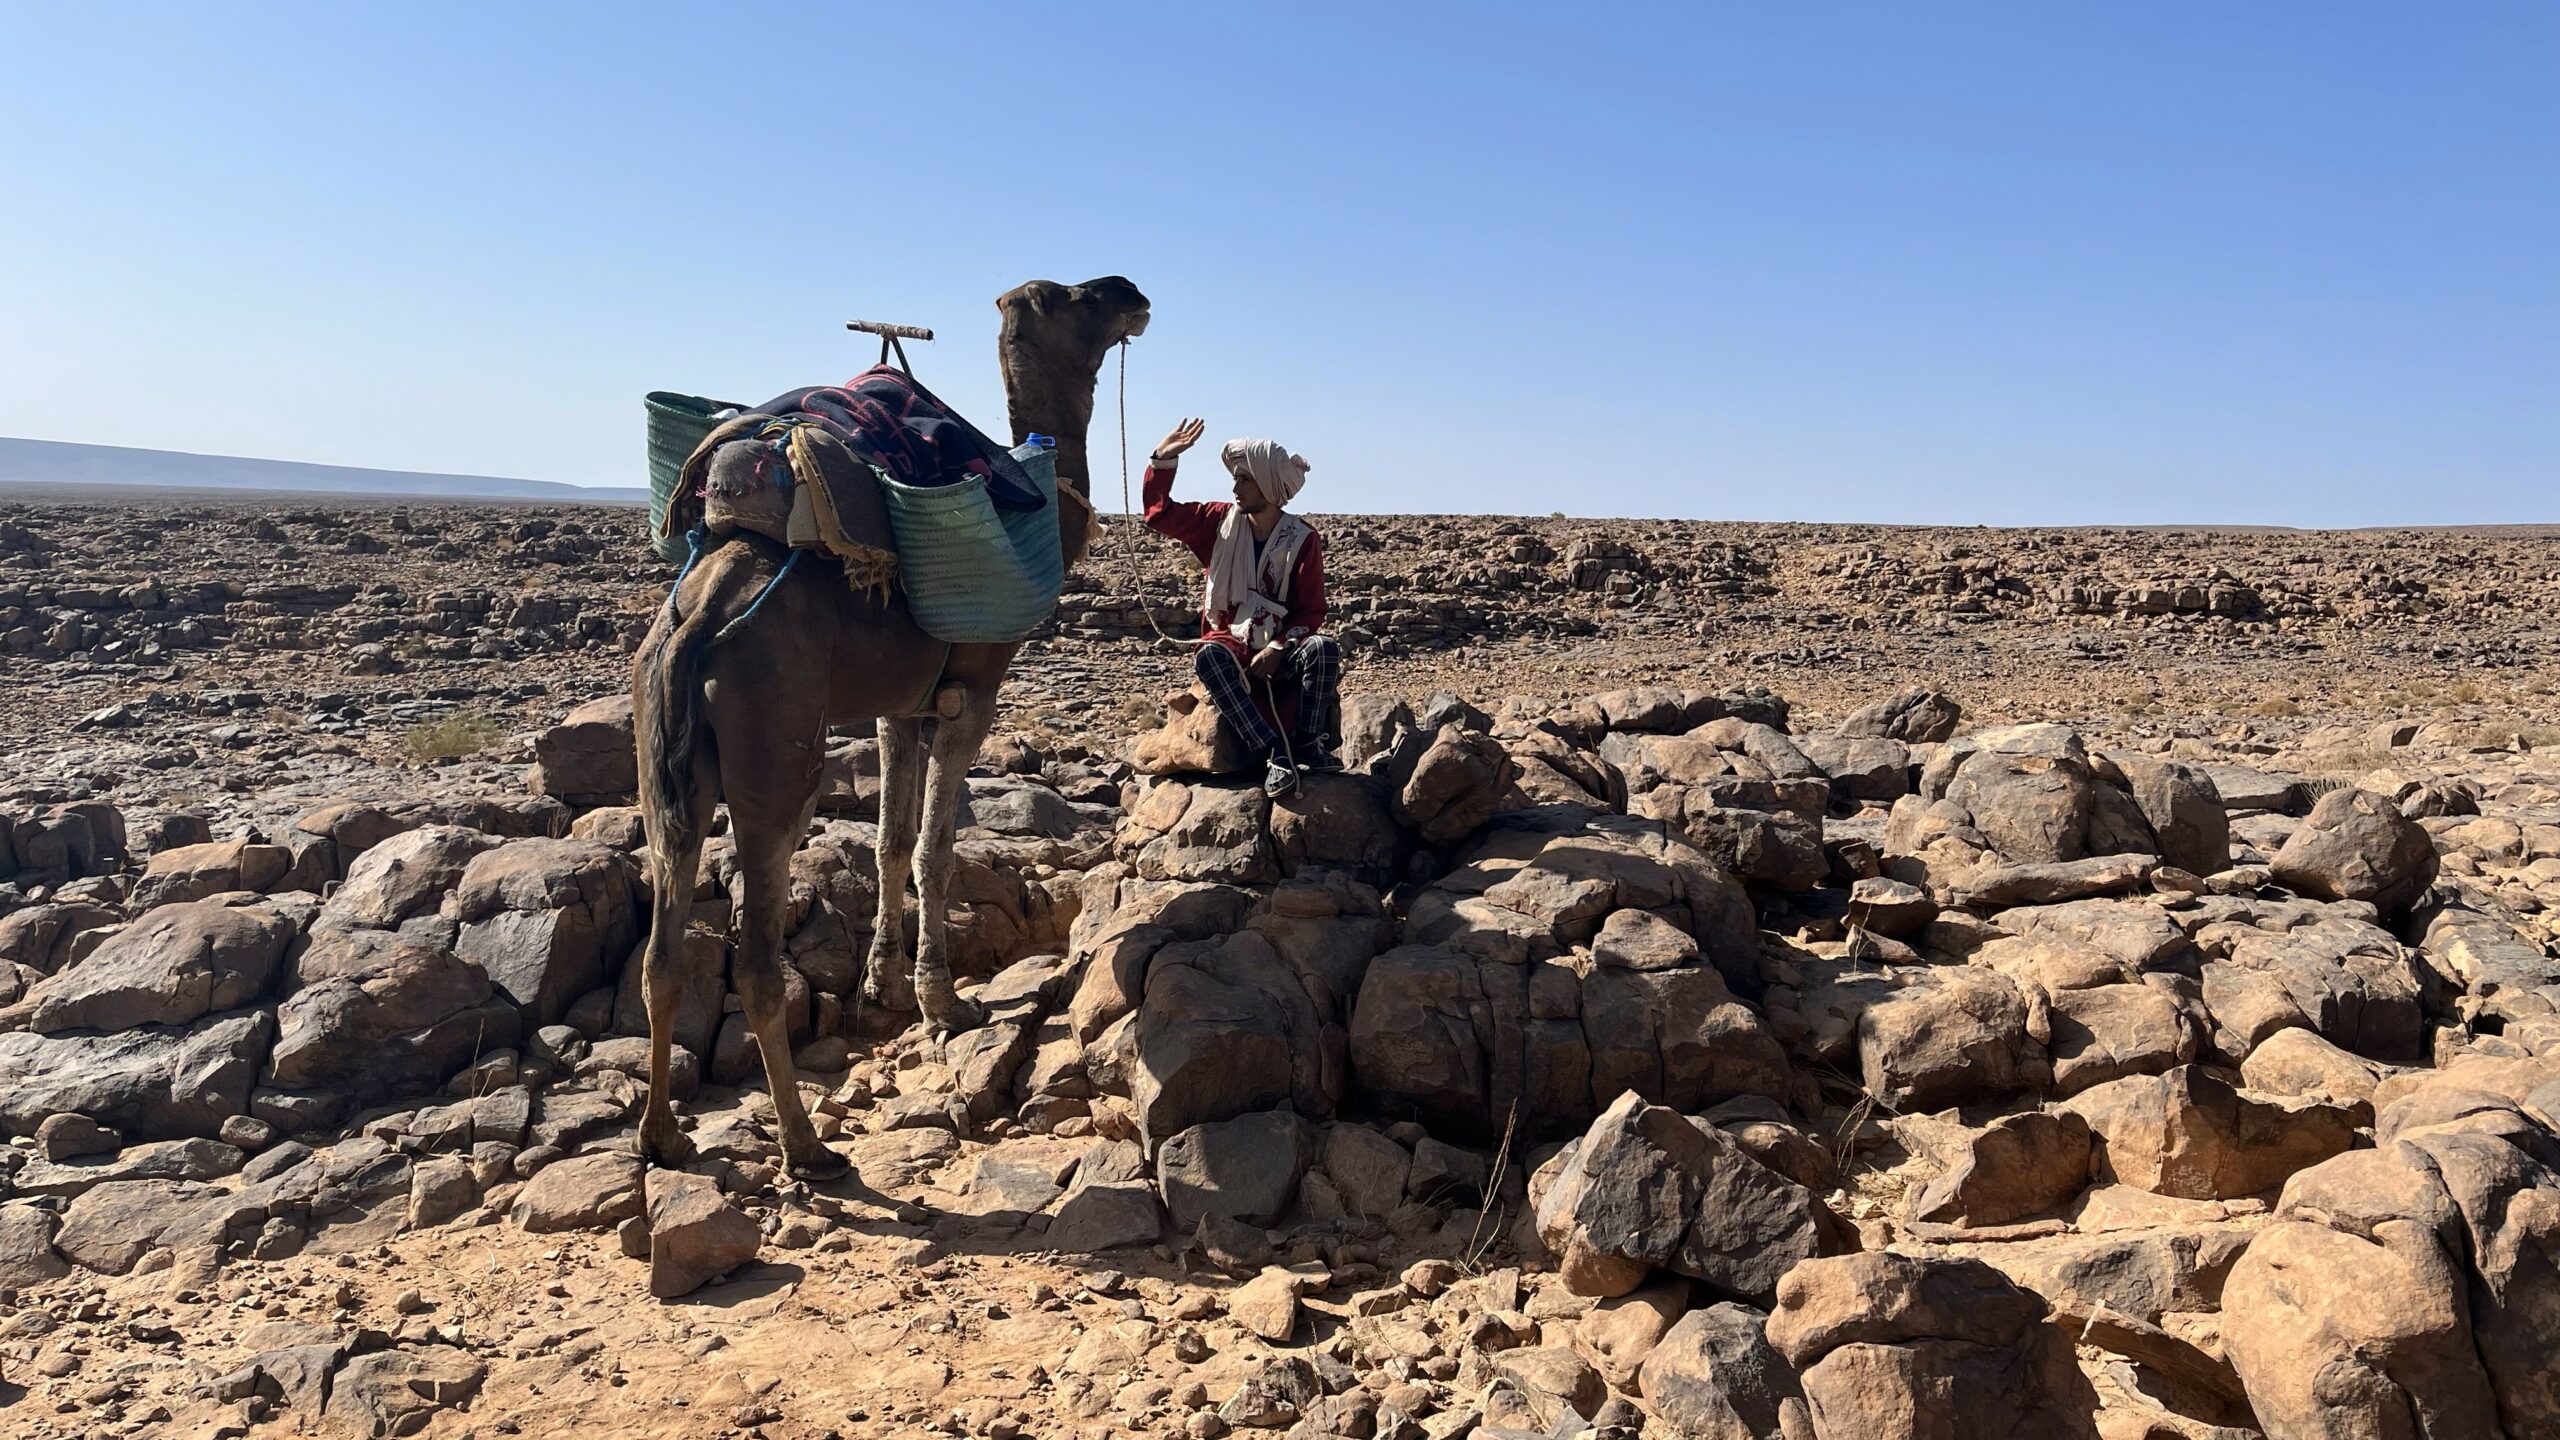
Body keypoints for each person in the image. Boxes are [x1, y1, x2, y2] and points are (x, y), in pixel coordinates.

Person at [1143, 417, 1341, 798]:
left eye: (1244, 479)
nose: (1235, 487)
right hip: (1230, 639)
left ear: (1268, 484)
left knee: (1324, 649)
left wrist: (1279, 646)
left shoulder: (1301, 538)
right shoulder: (1218, 522)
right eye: (1235, 478)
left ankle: (1307, 745)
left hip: (1280, 644)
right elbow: (1160, 514)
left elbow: (1311, 612)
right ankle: (1272, 751)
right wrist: (1162, 462)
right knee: (1210, 657)